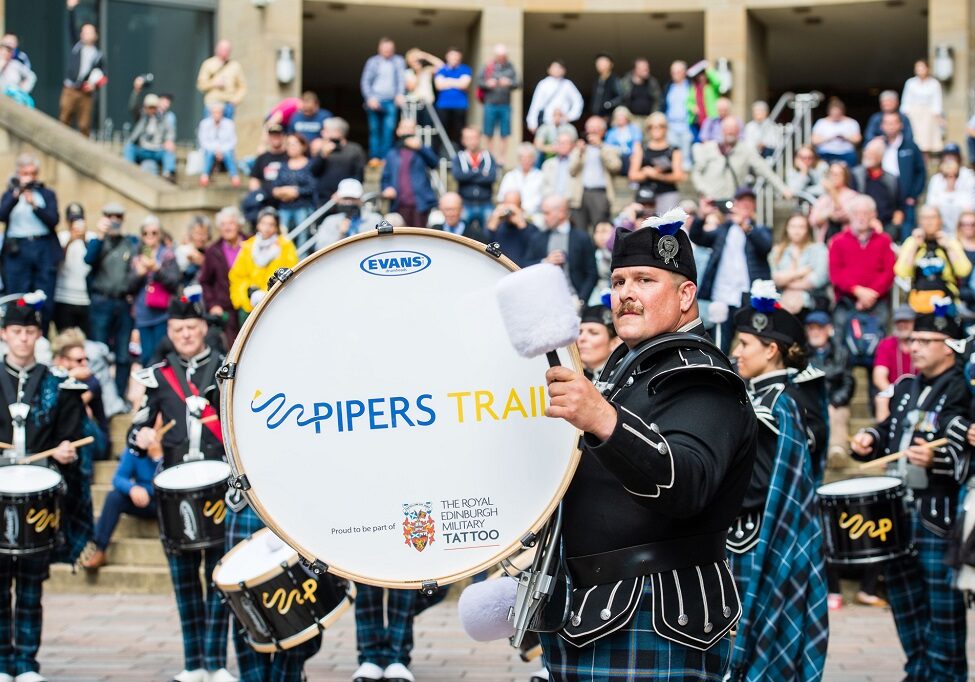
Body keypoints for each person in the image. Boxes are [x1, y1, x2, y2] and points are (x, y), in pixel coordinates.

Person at [536, 216, 757, 680]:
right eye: (618, 281)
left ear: (685, 296)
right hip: (593, 609)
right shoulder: (629, 369)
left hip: (655, 610)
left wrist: (600, 416)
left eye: (644, 280)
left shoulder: (702, 376)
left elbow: (687, 484)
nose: (625, 293)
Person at [851, 304, 971, 681]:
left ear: (949, 348)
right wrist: (870, 437)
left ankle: (944, 676)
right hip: (896, 517)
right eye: (913, 339)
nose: (914, 346)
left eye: (925, 340)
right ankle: (917, 672)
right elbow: (891, 429)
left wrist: (935, 461)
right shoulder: (906, 387)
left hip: (937, 518)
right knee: (905, 605)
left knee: (943, 614)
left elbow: (965, 453)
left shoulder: (964, 392)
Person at [128, 294, 234, 682]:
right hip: (174, 488)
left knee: (219, 576)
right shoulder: (158, 375)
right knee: (185, 580)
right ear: (169, 333)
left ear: (204, 328)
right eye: (177, 330)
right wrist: (139, 437)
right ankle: (193, 664)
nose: (185, 334)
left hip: (220, 486)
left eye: (191, 327)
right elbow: (137, 424)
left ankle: (217, 662)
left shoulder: (227, 369)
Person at [727, 282, 828, 681]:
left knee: (761, 649)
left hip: (763, 540)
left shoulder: (785, 402)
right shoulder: (764, 398)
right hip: (748, 538)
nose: (736, 352)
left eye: (745, 343)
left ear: (771, 350)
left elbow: (761, 485)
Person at [0, 293, 91, 682]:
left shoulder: (58, 384)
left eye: (30, 332)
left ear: (38, 336)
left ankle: (27, 663)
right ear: (4, 334)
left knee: (32, 580)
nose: (23, 338)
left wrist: (69, 452)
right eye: (16, 331)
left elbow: (74, 437)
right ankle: (3, 661)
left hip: (39, 496)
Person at [689, 187, 773, 352]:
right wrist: (702, 215)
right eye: (741, 202)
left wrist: (745, 225)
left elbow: (765, 246)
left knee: (753, 344)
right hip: (722, 298)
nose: (745, 205)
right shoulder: (723, 230)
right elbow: (697, 237)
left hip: (749, 298)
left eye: (749, 202)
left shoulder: (761, 229)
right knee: (720, 346)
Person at [84, 203, 140, 397]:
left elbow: (136, 270)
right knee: (98, 352)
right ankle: (99, 397)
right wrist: (100, 235)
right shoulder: (97, 241)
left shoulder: (130, 242)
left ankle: (117, 396)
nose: (114, 220)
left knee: (123, 355)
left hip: (123, 302)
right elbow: (88, 259)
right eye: (109, 215)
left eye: (118, 216)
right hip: (101, 301)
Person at [0, 154, 60, 326]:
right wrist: (16, 195)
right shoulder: (10, 194)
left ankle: (41, 330)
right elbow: (2, 214)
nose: (30, 177)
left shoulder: (46, 194)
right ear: (18, 174)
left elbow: (53, 219)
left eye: (33, 173)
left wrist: (35, 205)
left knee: (44, 294)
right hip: (17, 249)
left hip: (42, 247)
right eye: (25, 173)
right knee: (18, 295)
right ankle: (18, 327)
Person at [828, 195, 896, 344]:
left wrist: (871, 295)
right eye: (857, 213)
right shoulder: (838, 241)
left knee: (880, 339)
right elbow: (836, 274)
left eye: (866, 213)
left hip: (877, 300)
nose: (861, 217)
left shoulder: (884, 240)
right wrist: (857, 291)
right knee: (841, 338)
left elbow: (889, 272)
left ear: (874, 215)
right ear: (850, 215)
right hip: (847, 300)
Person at [82, 445, 159, 570]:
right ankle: (99, 548)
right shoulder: (135, 447)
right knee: (114, 497)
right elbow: (118, 478)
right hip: (143, 502)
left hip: (168, 502)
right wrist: (132, 488)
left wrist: (148, 489)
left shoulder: (172, 446)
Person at [691, 117, 793, 202]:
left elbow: (765, 170)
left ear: (738, 131)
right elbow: (696, 172)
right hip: (711, 200)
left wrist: (783, 189)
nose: (730, 131)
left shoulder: (746, 150)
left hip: (733, 201)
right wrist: (703, 191)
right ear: (722, 130)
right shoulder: (709, 148)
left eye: (733, 128)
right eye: (727, 128)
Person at [894, 204, 972, 312]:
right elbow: (902, 272)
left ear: (940, 220)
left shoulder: (949, 241)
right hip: (918, 302)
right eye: (925, 218)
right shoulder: (912, 242)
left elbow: (964, 270)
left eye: (933, 217)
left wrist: (948, 247)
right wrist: (914, 246)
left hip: (945, 301)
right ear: (919, 221)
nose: (929, 222)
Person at [804, 311, 855, 467]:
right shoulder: (801, 353)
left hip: (835, 403)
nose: (815, 332)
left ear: (828, 329)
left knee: (838, 415)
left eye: (819, 328)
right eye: (811, 328)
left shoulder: (841, 352)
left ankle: (837, 450)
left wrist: (834, 402)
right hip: (809, 404)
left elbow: (848, 382)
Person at [524, 195, 597, 303]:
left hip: (574, 299)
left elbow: (592, 273)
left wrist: (581, 300)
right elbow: (524, 266)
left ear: (562, 213)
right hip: (544, 300)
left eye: (547, 213)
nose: (544, 217)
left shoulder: (582, 238)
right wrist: (545, 262)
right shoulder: (537, 238)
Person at [228, 208, 298, 320]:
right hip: (249, 307)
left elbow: (290, 271)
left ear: (276, 227)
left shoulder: (285, 246)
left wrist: (268, 293)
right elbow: (237, 276)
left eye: (271, 224)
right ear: (258, 225)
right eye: (263, 223)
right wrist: (247, 293)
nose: (267, 228)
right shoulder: (248, 247)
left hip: (276, 303)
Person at [130, 215, 179, 366]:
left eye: (154, 233)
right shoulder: (136, 256)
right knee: (145, 357)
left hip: (162, 314)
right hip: (142, 314)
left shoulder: (167, 255)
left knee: (162, 355)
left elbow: (175, 282)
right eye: (146, 233)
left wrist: (157, 269)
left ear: (160, 234)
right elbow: (128, 286)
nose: (150, 236)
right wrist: (140, 273)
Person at [198, 206, 244, 349]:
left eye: (230, 223)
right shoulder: (213, 250)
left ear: (238, 225)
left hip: (248, 305)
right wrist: (213, 304)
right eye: (223, 225)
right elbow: (205, 281)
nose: (227, 228)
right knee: (233, 348)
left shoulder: (251, 243)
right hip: (225, 308)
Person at [380, 118, 438, 228]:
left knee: (419, 239)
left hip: (420, 204)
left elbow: (434, 163)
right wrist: (386, 188)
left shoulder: (421, 150)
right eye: (404, 128)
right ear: (398, 131)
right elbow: (385, 178)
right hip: (399, 205)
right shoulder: (392, 153)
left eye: (410, 128)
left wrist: (421, 148)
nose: (407, 131)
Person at [60, 0, 105, 137]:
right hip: (70, 88)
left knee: (84, 124)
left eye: (89, 32)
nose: (85, 34)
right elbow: (71, 27)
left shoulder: (98, 55)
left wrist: (95, 86)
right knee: (64, 119)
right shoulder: (77, 46)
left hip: (85, 92)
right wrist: (71, 9)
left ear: (95, 35)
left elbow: (103, 75)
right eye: (84, 32)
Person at [768, 213, 829, 315]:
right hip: (783, 305)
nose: (797, 231)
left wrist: (787, 282)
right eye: (793, 226)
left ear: (807, 230)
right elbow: (776, 278)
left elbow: (818, 279)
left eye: (801, 227)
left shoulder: (818, 250)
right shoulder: (777, 251)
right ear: (787, 229)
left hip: (812, 304)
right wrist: (801, 272)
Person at [568, 116, 621, 231]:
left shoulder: (609, 149)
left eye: (596, 129)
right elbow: (571, 170)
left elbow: (616, 167)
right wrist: (579, 153)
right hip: (580, 194)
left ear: (603, 132)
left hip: (600, 194)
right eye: (590, 128)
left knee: (600, 229)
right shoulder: (579, 149)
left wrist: (601, 147)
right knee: (579, 230)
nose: (592, 132)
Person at [879, 111, 926, 239]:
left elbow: (921, 171)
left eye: (894, 123)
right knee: (884, 235)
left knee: (908, 234)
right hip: (885, 198)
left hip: (906, 197)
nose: (890, 126)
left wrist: (914, 194)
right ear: (882, 126)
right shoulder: (878, 145)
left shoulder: (910, 146)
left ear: (900, 125)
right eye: (887, 123)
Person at [360, 38, 406, 165]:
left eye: (390, 49)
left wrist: (400, 94)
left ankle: (386, 158)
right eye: (385, 49)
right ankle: (375, 157)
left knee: (389, 129)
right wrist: (369, 98)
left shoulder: (398, 61)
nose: (387, 51)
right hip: (375, 100)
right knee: (375, 130)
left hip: (391, 101)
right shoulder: (373, 62)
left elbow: (401, 79)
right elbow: (365, 81)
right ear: (379, 49)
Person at [628, 112, 684, 215]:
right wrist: (646, 173)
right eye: (652, 127)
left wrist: (658, 175)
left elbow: (679, 176)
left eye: (660, 126)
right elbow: (632, 174)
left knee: (667, 227)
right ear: (647, 129)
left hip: (667, 193)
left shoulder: (674, 150)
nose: (656, 129)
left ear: (666, 128)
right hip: (646, 194)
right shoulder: (641, 148)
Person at [851, 139, 903, 239]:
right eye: (866, 151)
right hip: (861, 222)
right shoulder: (856, 175)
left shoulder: (891, 179)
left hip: (886, 225)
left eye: (872, 153)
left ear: (880, 156)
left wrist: (894, 226)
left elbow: (899, 208)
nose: (867, 155)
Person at [54, 202, 93, 334]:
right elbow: (56, 261)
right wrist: (70, 240)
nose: (75, 223)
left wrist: (83, 240)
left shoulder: (92, 238)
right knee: (65, 337)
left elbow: (94, 260)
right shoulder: (61, 237)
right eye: (72, 220)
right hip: (63, 297)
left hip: (86, 298)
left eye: (78, 219)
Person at [872, 305, 916, 421]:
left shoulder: (921, 344)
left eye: (906, 321)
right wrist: (896, 394)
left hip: (919, 393)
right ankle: (883, 436)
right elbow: (879, 377)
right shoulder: (886, 344)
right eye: (898, 321)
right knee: (881, 399)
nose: (902, 325)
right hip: (893, 394)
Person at [309, 117, 366, 204]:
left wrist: (343, 193)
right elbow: (313, 172)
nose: (322, 133)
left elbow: (358, 176)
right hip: (323, 199)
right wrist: (322, 155)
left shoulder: (354, 150)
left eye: (325, 130)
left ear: (337, 132)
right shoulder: (323, 148)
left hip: (346, 199)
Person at [477, 43, 519, 162]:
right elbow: (479, 81)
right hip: (490, 103)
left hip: (505, 104)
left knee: (504, 133)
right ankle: (490, 157)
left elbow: (517, 83)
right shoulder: (488, 66)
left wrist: (509, 82)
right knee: (488, 132)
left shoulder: (510, 67)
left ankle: (502, 159)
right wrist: (488, 83)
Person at [271, 134, 315, 242]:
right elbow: (276, 186)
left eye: (294, 144)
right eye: (289, 144)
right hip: (284, 207)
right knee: (282, 237)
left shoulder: (310, 164)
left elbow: (312, 186)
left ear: (303, 146)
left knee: (302, 236)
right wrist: (284, 192)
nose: (291, 147)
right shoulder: (283, 166)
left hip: (303, 207)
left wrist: (296, 192)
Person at [452, 127, 497, 233]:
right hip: (465, 203)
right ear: (463, 140)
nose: (472, 141)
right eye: (468, 138)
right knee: (461, 235)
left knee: (489, 234)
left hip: (486, 202)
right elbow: (458, 176)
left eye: (474, 138)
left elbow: (491, 177)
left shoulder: (488, 157)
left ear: (479, 139)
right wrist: (479, 172)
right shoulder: (459, 157)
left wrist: (468, 175)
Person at [315, 179, 383, 248]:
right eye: (345, 198)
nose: (349, 202)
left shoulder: (375, 220)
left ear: (360, 199)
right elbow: (320, 248)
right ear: (338, 199)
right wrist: (341, 234)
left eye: (353, 198)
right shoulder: (330, 221)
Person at [124, 93, 177, 181]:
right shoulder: (141, 117)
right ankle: (127, 170)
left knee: (169, 152)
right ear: (145, 107)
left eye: (154, 107)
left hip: (157, 151)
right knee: (129, 147)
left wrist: (169, 141)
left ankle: (168, 174)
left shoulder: (163, 119)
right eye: (150, 107)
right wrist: (137, 91)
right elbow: (133, 106)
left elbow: (170, 132)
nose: (152, 110)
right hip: (142, 149)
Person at [525, 60, 583, 134]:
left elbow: (578, 101)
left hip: (563, 123)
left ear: (564, 70)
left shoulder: (567, 84)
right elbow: (536, 104)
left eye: (559, 68)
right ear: (549, 69)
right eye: (554, 67)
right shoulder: (543, 84)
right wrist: (532, 122)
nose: (557, 70)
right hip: (547, 122)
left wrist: (570, 116)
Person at [901, 59, 944, 156]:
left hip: (928, 116)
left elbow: (937, 101)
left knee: (926, 143)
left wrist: (938, 117)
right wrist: (904, 116)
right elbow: (906, 101)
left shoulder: (934, 83)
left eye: (922, 67)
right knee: (913, 140)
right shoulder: (910, 83)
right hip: (913, 115)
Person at [486, 191, 540, 268]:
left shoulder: (530, 229)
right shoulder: (497, 226)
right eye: (506, 204)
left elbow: (535, 249)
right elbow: (483, 245)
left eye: (513, 205)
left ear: (520, 207)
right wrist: (493, 222)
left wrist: (522, 225)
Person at [809, 162, 860, 243]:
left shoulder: (852, 196)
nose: (834, 177)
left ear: (845, 177)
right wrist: (828, 214)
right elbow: (813, 220)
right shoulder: (824, 198)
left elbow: (843, 215)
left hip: (846, 240)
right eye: (832, 174)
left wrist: (833, 192)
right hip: (826, 240)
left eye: (837, 174)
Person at [196, 39, 247, 119]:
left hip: (228, 104)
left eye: (227, 50)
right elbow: (201, 85)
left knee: (227, 130)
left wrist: (235, 100)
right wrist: (214, 83)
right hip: (212, 104)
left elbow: (242, 86)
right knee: (209, 130)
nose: (225, 52)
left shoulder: (235, 66)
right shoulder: (208, 64)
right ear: (217, 49)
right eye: (223, 49)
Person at [433, 47, 472, 148]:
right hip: (443, 106)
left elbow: (464, 85)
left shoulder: (465, 69)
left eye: (456, 56)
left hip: (460, 106)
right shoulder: (442, 69)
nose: (454, 58)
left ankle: (459, 154)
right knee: (442, 132)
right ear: (447, 57)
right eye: (452, 56)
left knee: (459, 132)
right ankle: (440, 154)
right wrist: (457, 82)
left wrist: (447, 81)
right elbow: (438, 85)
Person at [926, 157, 975, 235]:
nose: (950, 178)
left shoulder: (964, 195)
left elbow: (969, 214)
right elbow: (930, 210)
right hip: (940, 233)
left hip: (960, 233)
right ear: (942, 176)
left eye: (954, 175)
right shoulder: (936, 192)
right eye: (946, 175)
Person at [496, 143, 544, 220]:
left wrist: (524, 211)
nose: (526, 160)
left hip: (533, 215)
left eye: (529, 157)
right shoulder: (510, 176)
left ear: (534, 159)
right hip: (510, 215)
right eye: (523, 157)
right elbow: (501, 197)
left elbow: (541, 199)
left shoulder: (540, 176)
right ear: (519, 159)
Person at [197, 103, 240, 188]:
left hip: (225, 150)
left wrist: (221, 150)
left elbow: (232, 142)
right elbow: (203, 142)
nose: (217, 114)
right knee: (209, 153)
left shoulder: (229, 124)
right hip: (210, 150)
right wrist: (216, 150)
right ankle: (204, 175)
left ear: (222, 113)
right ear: (211, 113)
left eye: (219, 112)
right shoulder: (204, 124)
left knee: (228, 153)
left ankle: (234, 176)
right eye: (215, 112)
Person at [810, 97, 861, 167]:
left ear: (842, 112)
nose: (836, 115)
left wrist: (845, 137)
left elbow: (858, 139)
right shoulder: (821, 123)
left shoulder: (851, 122)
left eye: (838, 113)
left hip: (846, 154)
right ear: (829, 112)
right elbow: (814, 140)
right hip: (826, 154)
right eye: (834, 113)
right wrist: (830, 138)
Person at [576, 304, 619, 379]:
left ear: (614, 343)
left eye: (593, 333)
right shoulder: (574, 375)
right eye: (579, 332)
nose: (581, 338)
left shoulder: (622, 378)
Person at [662, 60, 691, 168]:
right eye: (673, 72)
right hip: (671, 125)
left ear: (684, 72)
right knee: (673, 153)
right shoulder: (669, 87)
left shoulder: (690, 86)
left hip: (686, 124)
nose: (675, 75)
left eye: (678, 72)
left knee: (686, 157)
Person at [620, 58, 661, 131]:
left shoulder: (652, 82)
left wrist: (653, 115)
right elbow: (621, 100)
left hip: (649, 118)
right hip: (632, 118)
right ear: (635, 70)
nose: (647, 70)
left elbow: (657, 100)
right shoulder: (625, 83)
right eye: (644, 68)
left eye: (647, 67)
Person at [685, 60, 722, 141]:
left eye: (703, 75)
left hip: (710, 119)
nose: (701, 78)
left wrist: (708, 69)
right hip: (697, 121)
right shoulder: (694, 88)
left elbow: (717, 82)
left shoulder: (711, 88)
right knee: (697, 143)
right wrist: (692, 107)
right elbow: (688, 102)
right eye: (699, 76)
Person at [248, 124, 288, 196]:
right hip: (266, 197)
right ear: (268, 138)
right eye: (273, 135)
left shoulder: (289, 156)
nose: (276, 138)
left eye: (278, 135)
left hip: (286, 196)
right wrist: (257, 195)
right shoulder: (262, 158)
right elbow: (254, 179)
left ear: (283, 137)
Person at [175, 216, 211, 288]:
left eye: (204, 234)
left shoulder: (211, 253)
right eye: (197, 233)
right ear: (191, 233)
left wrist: (203, 262)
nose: (200, 238)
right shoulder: (182, 251)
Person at [604, 106, 642, 173]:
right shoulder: (611, 132)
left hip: (630, 158)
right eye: (618, 116)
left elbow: (637, 145)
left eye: (622, 116)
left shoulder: (634, 129)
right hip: (616, 158)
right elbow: (608, 147)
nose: (620, 118)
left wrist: (634, 156)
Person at [540, 133, 576, 203]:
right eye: (560, 143)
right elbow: (544, 185)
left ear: (572, 145)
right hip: (552, 203)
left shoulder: (576, 162)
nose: (563, 146)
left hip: (571, 203)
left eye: (566, 143)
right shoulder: (548, 164)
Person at [589, 53, 622, 120]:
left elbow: (621, 97)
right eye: (598, 62)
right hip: (596, 116)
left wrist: (609, 104)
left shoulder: (614, 79)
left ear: (611, 64)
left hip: (609, 116)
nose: (600, 64)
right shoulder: (597, 81)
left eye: (603, 62)